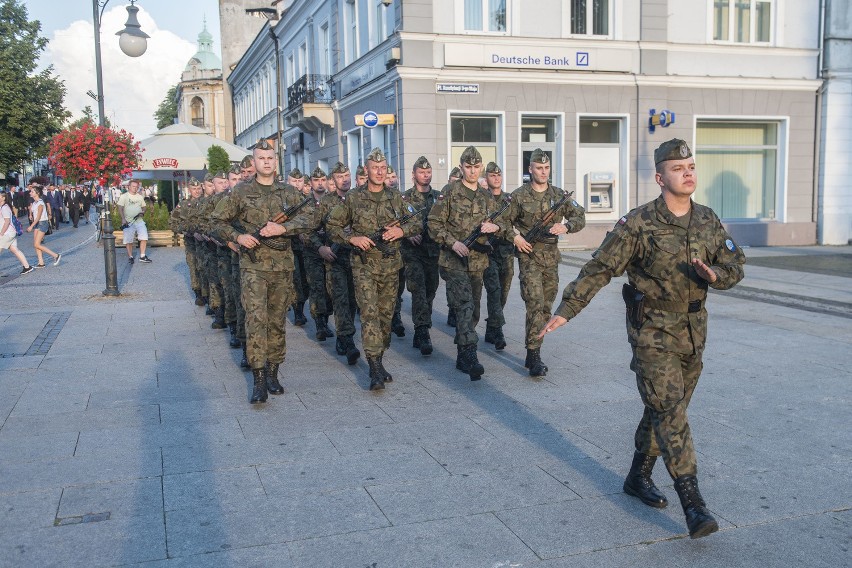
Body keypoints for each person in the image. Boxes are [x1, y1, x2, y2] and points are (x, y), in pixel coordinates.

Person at [539, 138, 746, 539]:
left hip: (693, 331)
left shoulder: (707, 219)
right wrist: (568, 308)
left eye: (690, 166)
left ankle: (637, 476)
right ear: (659, 177)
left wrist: (717, 276)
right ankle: (693, 503)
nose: (687, 172)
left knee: (666, 408)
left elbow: (735, 262)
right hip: (651, 329)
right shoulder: (638, 222)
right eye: (677, 168)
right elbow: (601, 267)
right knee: (670, 410)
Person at [210, 140, 312, 404]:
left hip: (282, 267)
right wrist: (237, 237)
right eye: (261, 158)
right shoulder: (241, 192)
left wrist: (284, 229)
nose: (266, 161)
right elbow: (215, 222)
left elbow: (312, 216)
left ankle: (273, 371)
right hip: (253, 266)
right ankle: (257, 378)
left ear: (275, 162)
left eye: (270, 157)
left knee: (277, 320)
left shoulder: (289, 193)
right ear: (253, 162)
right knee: (256, 319)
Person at [326, 148, 420, 390]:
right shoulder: (354, 198)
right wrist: (352, 239)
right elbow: (333, 225)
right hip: (364, 265)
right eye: (374, 168)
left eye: (382, 168)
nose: (379, 172)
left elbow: (417, 220)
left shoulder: (396, 197)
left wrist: (402, 231)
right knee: (369, 314)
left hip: (390, 266)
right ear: (366, 170)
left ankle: (380, 355)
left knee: (385, 316)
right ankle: (374, 366)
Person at [428, 146, 507, 381]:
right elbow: (433, 223)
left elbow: (502, 221)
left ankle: (463, 350)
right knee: (463, 305)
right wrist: (452, 243)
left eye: (476, 167)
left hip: (478, 262)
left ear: (480, 168)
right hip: (454, 261)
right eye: (468, 166)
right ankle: (470, 355)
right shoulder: (450, 192)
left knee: (473, 308)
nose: (472, 171)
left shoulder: (486, 196)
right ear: (461, 167)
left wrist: (496, 227)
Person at [506, 148, 586, 376]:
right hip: (529, 256)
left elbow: (580, 216)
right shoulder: (519, 196)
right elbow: (502, 221)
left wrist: (567, 226)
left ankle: (534, 346)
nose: (543, 172)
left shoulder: (559, 195)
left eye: (546, 168)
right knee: (534, 302)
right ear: (530, 169)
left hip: (551, 258)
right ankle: (533, 354)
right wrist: (515, 237)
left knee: (546, 306)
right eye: (539, 168)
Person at [311, 162, 360, 365]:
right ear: (333, 180)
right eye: (340, 177)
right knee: (340, 299)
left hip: (358, 259)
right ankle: (346, 340)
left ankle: (343, 334)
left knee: (354, 301)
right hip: (336, 259)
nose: (345, 179)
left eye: (347, 175)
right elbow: (310, 229)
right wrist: (321, 248)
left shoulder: (359, 198)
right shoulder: (326, 203)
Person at [400, 156, 441, 355]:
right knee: (418, 290)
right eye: (422, 172)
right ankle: (422, 330)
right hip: (413, 253)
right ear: (414, 175)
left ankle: (422, 325)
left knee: (431, 290)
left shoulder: (439, 197)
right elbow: (396, 222)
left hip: (433, 252)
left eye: (428, 172)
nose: (426, 175)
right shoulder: (404, 199)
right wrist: (408, 234)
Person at [481, 162, 513, 350]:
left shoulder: (510, 199)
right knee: (494, 291)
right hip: (488, 252)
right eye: (493, 176)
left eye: (499, 175)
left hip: (507, 251)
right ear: (487, 178)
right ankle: (498, 330)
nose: (497, 178)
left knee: (504, 292)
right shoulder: (482, 198)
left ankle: (491, 327)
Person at [287, 167, 309, 326]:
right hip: (290, 247)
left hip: (308, 247)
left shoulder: (307, 200)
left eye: (299, 181)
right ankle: (298, 311)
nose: (297, 184)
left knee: (306, 280)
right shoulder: (283, 199)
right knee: (296, 280)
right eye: (294, 181)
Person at [117, 179, 152, 264]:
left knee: (144, 237)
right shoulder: (124, 196)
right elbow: (120, 208)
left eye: (136, 187)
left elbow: (144, 207)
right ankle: (130, 256)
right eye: (133, 186)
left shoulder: (139, 196)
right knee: (128, 240)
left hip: (139, 220)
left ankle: (142, 256)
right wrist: (123, 218)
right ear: (129, 187)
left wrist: (143, 212)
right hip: (128, 221)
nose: (135, 188)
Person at [26, 185, 61, 267]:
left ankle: (56, 255)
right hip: (37, 223)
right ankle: (41, 262)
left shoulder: (40, 203)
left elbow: (38, 217)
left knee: (37, 244)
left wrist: (31, 226)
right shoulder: (35, 202)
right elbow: (32, 212)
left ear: (37, 193)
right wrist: (30, 214)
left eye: (32, 191)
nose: (30, 192)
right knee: (36, 244)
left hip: (42, 223)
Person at [0, 191, 34, 274]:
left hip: (7, 233)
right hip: (10, 232)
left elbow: (7, 222)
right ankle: (27, 267)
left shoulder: (4, 207)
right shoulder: (2, 207)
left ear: (3, 198)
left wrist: (1, 233)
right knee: (15, 250)